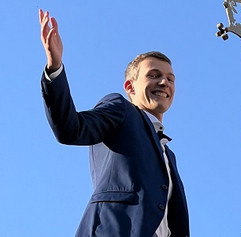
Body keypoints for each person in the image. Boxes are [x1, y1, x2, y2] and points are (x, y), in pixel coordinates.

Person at [38, 9, 190, 237]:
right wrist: (55, 68)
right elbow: (71, 129)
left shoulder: (169, 155)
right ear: (130, 87)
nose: (164, 82)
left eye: (170, 78)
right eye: (153, 75)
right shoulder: (121, 110)